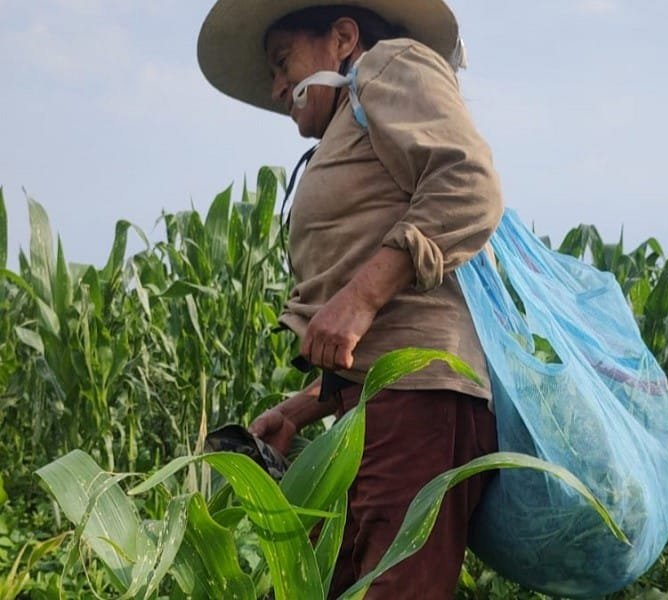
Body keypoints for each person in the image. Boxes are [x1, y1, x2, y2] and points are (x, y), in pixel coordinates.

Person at [197, 1, 504, 597]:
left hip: (419, 401)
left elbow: (469, 185)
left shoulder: (389, 65)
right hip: (375, 408)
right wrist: (301, 409)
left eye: (282, 61)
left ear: (342, 38)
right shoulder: (352, 118)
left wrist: (359, 298)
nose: (277, 85)